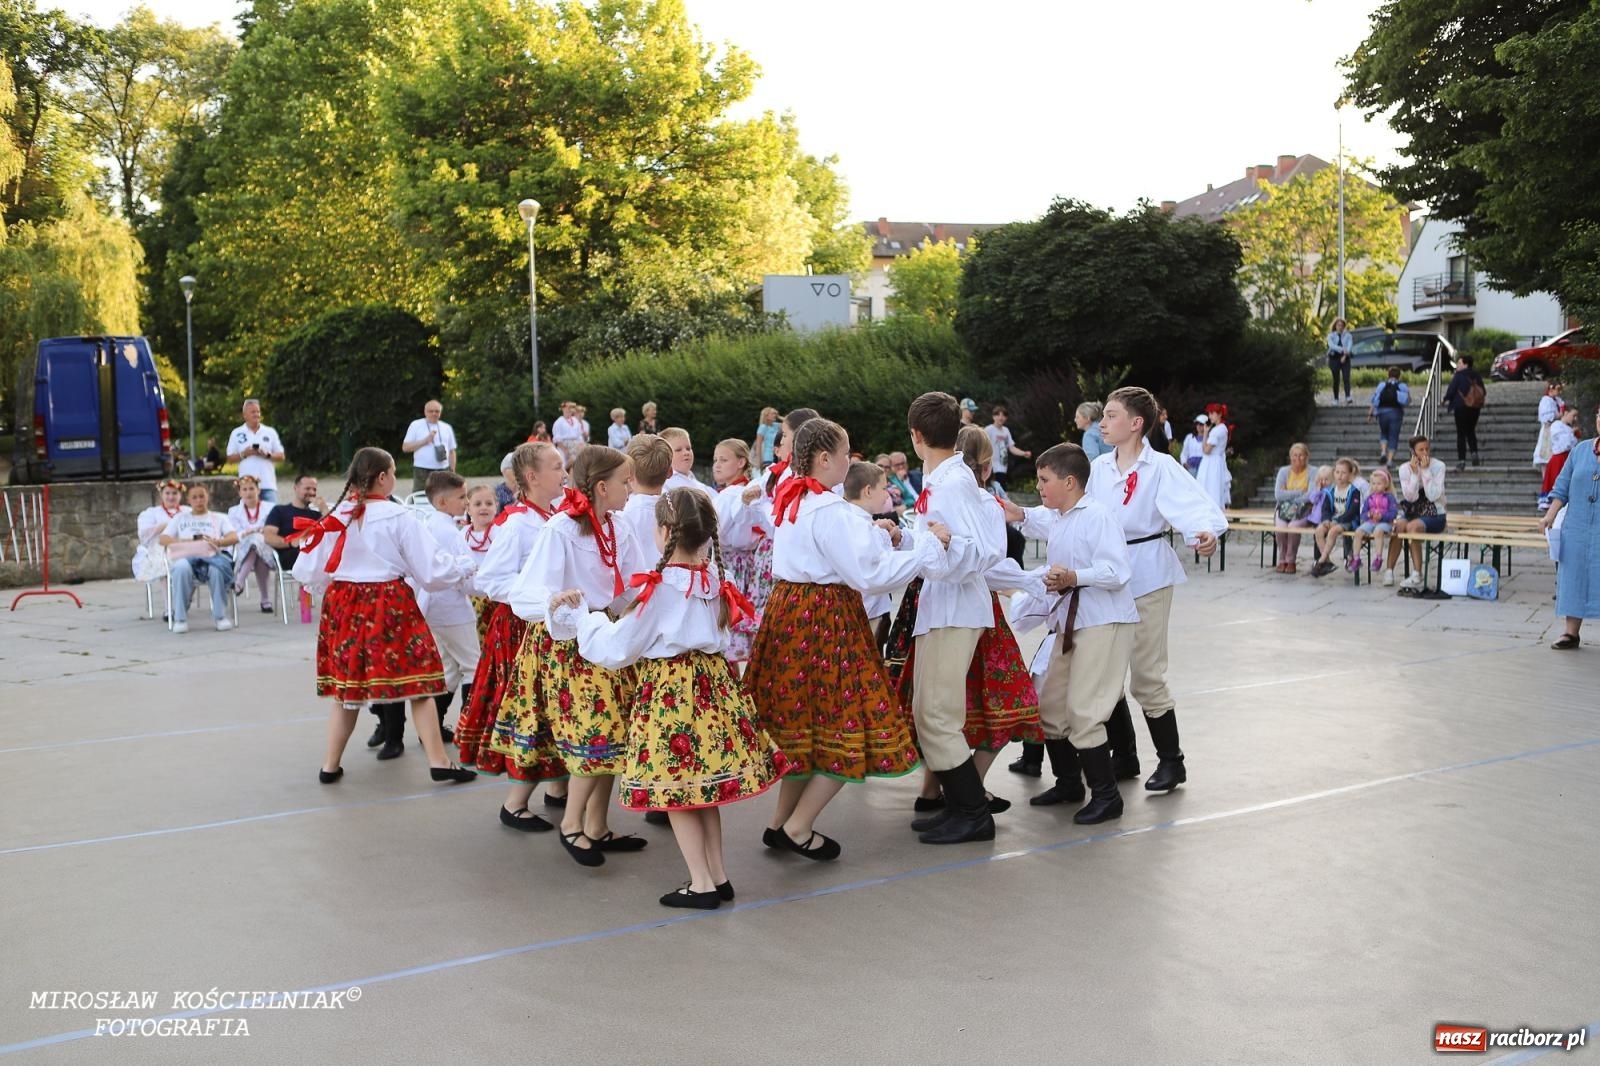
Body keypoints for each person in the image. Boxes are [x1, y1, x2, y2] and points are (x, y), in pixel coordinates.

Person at [555, 489, 789, 908]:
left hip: (671, 693)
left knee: (678, 790)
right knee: (703, 791)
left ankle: (700, 884)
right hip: (713, 687)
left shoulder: (660, 589)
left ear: (664, 533)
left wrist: (580, 619)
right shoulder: (717, 578)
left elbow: (619, 648)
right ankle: (717, 876)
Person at [743, 417, 950, 860]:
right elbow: (869, 576)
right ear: (823, 459)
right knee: (851, 721)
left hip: (789, 615)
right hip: (826, 620)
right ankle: (798, 826)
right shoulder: (830, 509)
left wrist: (876, 534)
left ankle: (780, 823)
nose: (850, 459)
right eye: (845, 452)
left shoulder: (794, 497)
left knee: (804, 727)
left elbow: (834, 552)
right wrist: (927, 548)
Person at [1010, 387, 1226, 794]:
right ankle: (1124, 754)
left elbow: (1198, 510)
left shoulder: (1160, 467)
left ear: (1136, 423)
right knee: (1103, 673)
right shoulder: (1099, 468)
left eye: (1110, 416)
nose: (1102, 423)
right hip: (1100, 582)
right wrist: (1022, 514)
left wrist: (1206, 534)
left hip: (1145, 577)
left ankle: (1170, 761)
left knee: (1145, 675)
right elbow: (1069, 514)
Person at [290, 447, 476, 786]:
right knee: (420, 683)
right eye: (392, 472)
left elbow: (307, 568)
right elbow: (432, 572)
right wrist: (462, 568)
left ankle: (330, 766)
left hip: (344, 604)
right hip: (387, 602)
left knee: (347, 692)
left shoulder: (337, 515)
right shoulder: (398, 516)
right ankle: (439, 761)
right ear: (382, 477)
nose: (394, 478)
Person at [507, 445, 647, 866]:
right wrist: (556, 600)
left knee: (613, 739)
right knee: (595, 735)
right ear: (602, 487)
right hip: (572, 643)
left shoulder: (619, 527)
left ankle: (597, 825)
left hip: (607, 637)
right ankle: (572, 824)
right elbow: (525, 593)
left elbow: (636, 583)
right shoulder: (562, 529)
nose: (630, 488)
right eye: (625, 482)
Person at [903, 427, 1042, 824]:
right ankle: (952, 798)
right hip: (943, 606)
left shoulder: (969, 495)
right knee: (937, 710)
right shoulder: (941, 484)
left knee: (952, 710)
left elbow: (988, 559)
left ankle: (968, 805)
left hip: (965, 608)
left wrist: (1028, 585)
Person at [896, 394, 1009, 845]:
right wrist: (907, 536)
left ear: (916, 437)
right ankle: (960, 805)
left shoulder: (952, 483)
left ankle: (973, 812)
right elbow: (941, 541)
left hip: (956, 608)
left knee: (939, 716)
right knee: (928, 713)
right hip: (941, 606)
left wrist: (943, 545)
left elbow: (984, 547)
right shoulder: (943, 478)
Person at [1009, 443, 1137, 823]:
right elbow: (1038, 519)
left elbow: (1117, 572)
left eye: (1044, 480)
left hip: (1103, 621)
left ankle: (1107, 796)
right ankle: (1069, 783)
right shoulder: (1063, 516)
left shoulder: (1098, 516)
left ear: (1069, 481)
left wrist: (1072, 577)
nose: (1039, 487)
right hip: (1071, 623)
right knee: (1050, 708)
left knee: (1084, 710)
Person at [457, 441, 569, 823]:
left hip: (551, 623)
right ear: (532, 477)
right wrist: (535, 594)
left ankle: (558, 787)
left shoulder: (556, 512)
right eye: (556, 466)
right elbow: (490, 579)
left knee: (555, 707)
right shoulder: (516, 522)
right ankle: (515, 804)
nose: (564, 472)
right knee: (530, 710)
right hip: (522, 626)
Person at [406, 470, 482, 758]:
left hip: (433, 607)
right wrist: (489, 588)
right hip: (452, 607)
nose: (466, 502)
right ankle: (469, 731)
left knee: (449, 670)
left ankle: (433, 729)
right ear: (441, 502)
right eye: (461, 497)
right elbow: (464, 576)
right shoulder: (450, 532)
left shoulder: (428, 525)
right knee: (473, 666)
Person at [1541, 405, 1600, 650]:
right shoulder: (1581, 449)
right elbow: (1561, 487)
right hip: (1576, 525)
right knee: (1573, 577)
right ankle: (1570, 633)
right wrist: (1549, 517)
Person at [159, 483, 239, 634]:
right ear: (188, 500)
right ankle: (180, 618)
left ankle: (220, 616)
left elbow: (233, 537)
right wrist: (184, 542)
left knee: (217, 570)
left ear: (208, 497)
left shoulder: (219, 518)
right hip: (186, 556)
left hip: (211, 557)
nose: (199, 500)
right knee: (180, 568)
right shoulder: (180, 518)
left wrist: (218, 542)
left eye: (202, 496)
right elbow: (163, 539)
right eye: (194, 497)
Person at [711, 439, 765, 664]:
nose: (717, 465)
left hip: (731, 564)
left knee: (730, 623)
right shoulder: (743, 491)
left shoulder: (732, 494)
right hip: (747, 565)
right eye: (715, 460)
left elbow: (716, 530)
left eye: (724, 460)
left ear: (741, 462)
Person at [1383, 435, 1448, 591]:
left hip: (1436, 513)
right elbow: (1410, 497)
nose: (1425, 452)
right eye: (1421, 449)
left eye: (1427, 448)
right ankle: (1389, 571)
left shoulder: (1439, 466)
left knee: (1412, 527)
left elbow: (1433, 495)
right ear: (1413, 451)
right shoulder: (1405, 468)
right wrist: (1414, 474)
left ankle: (1417, 574)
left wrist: (1425, 471)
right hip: (1414, 511)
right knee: (1399, 525)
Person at [134, 479, 189, 614]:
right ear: (162, 495)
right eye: (168, 493)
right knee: (165, 566)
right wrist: (162, 526)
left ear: (180, 495)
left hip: (183, 547)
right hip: (159, 550)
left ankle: (184, 601)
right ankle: (168, 607)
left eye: (174, 493)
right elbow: (144, 534)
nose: (171, 497)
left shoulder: (187, 511)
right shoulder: (152, 513)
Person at [227, 475, 275, 614]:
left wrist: (258, 531)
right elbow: (234, 531)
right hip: (243, 547)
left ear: (258, 490)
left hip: (266, 546)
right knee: (253, 545)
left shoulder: (270, 507)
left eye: (252, 489)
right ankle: (265, 600)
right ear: (240, 493)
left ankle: (239, 582)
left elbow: (271, 527)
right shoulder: (234, 511)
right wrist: (249, 532)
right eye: (245, 489)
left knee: (257, 543)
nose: (248, 492)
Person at [1309, 458, 1362, 578]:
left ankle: (1322, 560)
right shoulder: (1330, 491)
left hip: (1349, 521)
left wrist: (1337, 521)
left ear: (1350, 474)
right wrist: (1326, 520)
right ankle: (1327, 561)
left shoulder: (1354, 491)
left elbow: (1352, 511)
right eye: (1337, 472)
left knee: (1333, 531)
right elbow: (1325, 509)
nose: (1340, 476)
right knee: (1319, 530)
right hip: (1333, 520)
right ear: (1334, 473)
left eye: (1343, 473)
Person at [226, 399, 285, 502]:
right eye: (253, 412)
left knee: (271, 516)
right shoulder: (236, 433)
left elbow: (281, 456)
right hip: (246, 486)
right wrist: (245, 454)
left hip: (267, 485)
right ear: (245, 415)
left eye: (258, 411)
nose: (256, 414)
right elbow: (230, 459)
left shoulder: (269, 432)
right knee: (248, 517)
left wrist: (267, 455)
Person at [1272, 443, 1316, 573]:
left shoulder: (1313, 471)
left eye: (1301, 455)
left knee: (1293, 527)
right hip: (1283, 509)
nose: (1298, 458)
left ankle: (1291, 560)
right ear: (1290, 457)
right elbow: (1278, 495)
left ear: (1307, 457)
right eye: (1295, 455)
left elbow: (1310, 495)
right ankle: (1282, 559)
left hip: (1304, 510)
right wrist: (1298, 492)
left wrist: (1291, 496)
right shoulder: (1284, 471)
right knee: (1281, 528)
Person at [400, 399, 458, 494]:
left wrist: (452, 471)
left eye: (437, 411)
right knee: (419, 496)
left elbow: (452, 451)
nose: (434, 414)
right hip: (422, 469)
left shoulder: (446, 427)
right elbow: (405, 448)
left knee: (444, 495)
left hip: (443, 469)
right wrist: (425, 441)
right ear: (425, 412)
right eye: (431, 411)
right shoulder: (416, 425)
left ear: (440, 412)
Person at [1441, 353, 1486, 470]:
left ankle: (1462, 460)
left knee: (1461, 433)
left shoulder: (1459, 375)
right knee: (1471, 431)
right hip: (1475, 407)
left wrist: (1445, 399)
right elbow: (1483, 391)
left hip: (1461, 406)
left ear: (1465, 364)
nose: (1457, 365)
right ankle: (1474, 453)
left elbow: (1452, 390)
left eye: (1459, 363)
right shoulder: (1477, 375)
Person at [1349, 467, 1398, 575]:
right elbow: (1363, 513)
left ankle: (1378, 558)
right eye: (1373, 483)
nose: (1375, 486)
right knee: (1358, 532)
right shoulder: (1369, 498)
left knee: (1378, 531)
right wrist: (1369, 514)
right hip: (1371, 522)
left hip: (1385, 523)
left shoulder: (1389, 498)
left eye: (1379, 484)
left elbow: (1393, 513)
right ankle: (1356, 558)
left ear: (1386, 484)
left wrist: (1382, 516)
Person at [1367, 366, 1410, 468]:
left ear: (1388, 375)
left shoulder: (1382, 385)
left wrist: (1370, 413)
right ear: (1398, 376)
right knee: (1393, 436)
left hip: (1382, 413)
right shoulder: (1402, 386)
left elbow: (1374, 400)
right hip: (1396, 413)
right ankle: (1390, 461)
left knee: (1384, 433)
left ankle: (1383, 452)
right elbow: (1407, 400)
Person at [983, 404, 1032, 492]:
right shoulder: (988, 430)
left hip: (1002, 466)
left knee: (1001, 490)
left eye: (1003, 415)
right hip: (991, 466)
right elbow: (982, 445)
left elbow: (1011, 448)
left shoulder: (1006, 430)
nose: (1000, 418)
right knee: (992, 490)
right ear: (993, 416)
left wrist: (1024, 453)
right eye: (998, 415)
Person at [1541, 407, 1580, 509]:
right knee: (1558, 484)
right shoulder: (1557, 425)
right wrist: (1571, 432)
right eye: (1573, 415)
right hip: (1559, 458)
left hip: (1568, 458)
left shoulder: (1567, 428)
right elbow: (1564, 445)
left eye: (1576, 416)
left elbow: (1573, 445)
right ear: (1566, 413)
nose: (1575, 419)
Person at [660, 427, 715, 499]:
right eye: (678, 450)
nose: (686, 452)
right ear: (664, 456)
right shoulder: (664, 484)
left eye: (688, 448)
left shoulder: (703, 487)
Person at [1196, 403, 1232, 510]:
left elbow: (1206, 450)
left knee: (1211, 490)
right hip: (1214, 462)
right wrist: (1206, 433)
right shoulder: (1220, 429)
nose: (1210, 416)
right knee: (1211, 489)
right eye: (1209, 413)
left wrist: (1206, 434)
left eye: (1212, 413)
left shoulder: (1218, 430)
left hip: (1212, 463)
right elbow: (1205, 450)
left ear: (1220, 414)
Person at [1534, 383, 1564, 471]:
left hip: (1557, 428)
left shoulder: (1557, 400)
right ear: (1551, 390)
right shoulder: (1546, 400)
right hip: (1548, 429)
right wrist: (1558, 415)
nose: (1559, 392)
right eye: (1558, 390)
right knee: (1546, 454)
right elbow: (1546, 417)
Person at [1327, 317, 1354, 405]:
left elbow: (1349, 347)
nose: (1340, 327)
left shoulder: (1348, 335)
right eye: (1338, 325)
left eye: (1342, 325)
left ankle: (1348, 396)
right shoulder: (1331, 335)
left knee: (1346, 377)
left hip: (1345, 358)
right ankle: (1336, 398)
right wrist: (1343, 350)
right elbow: (1332, 346)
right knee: (1336, 379)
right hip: (1334, 358)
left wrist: (1345, 355)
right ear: (1335, 326)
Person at [752, 407, 781, 471]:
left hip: (778, 457)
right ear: (766, 415)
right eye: (773, 413)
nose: (775, 415)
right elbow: (758, 445)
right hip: (768, 458)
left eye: (775, 413)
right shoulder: (763, 427)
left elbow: (790, 423)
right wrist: (758, 461)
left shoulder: (776, 426)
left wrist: (779, 417)